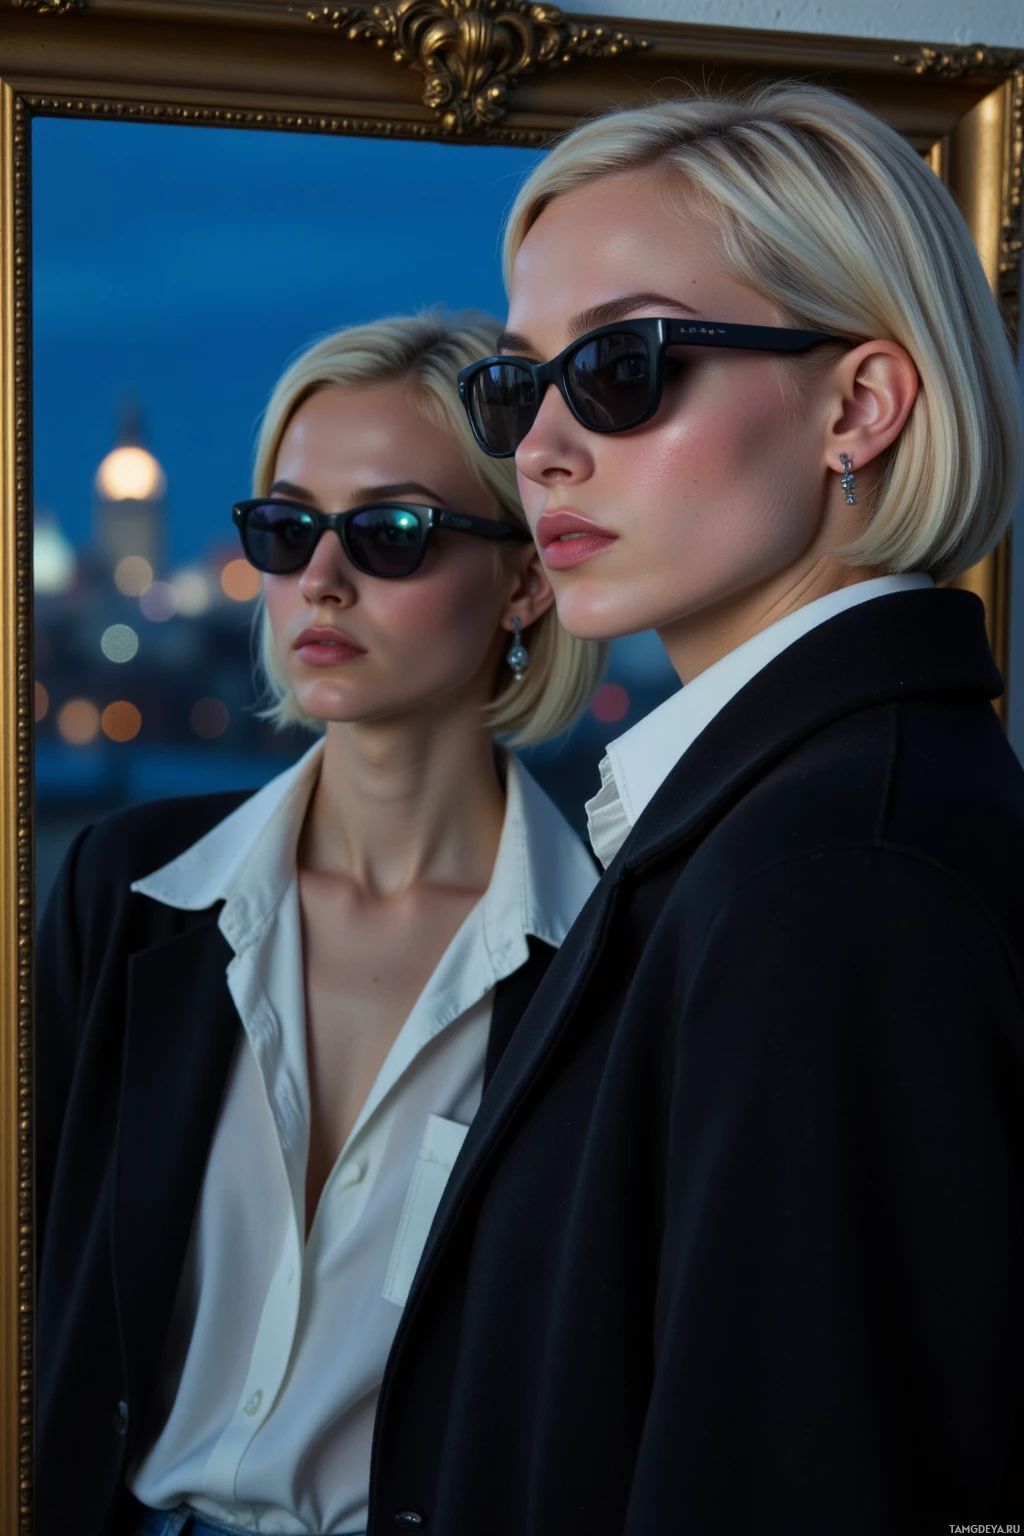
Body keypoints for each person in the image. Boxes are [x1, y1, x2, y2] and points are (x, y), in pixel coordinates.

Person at [367, 86, 1024, 1533]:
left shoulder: (838, 882)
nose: (536, 448)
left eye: (621, 365)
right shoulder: (782, 826)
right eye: (516, 383)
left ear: (858, 405)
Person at [34, 311, 607, 1536]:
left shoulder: (608, 961)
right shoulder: (130, 893)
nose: (321, 582)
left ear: (523, 580)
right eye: (288, 530)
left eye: (392, 533)